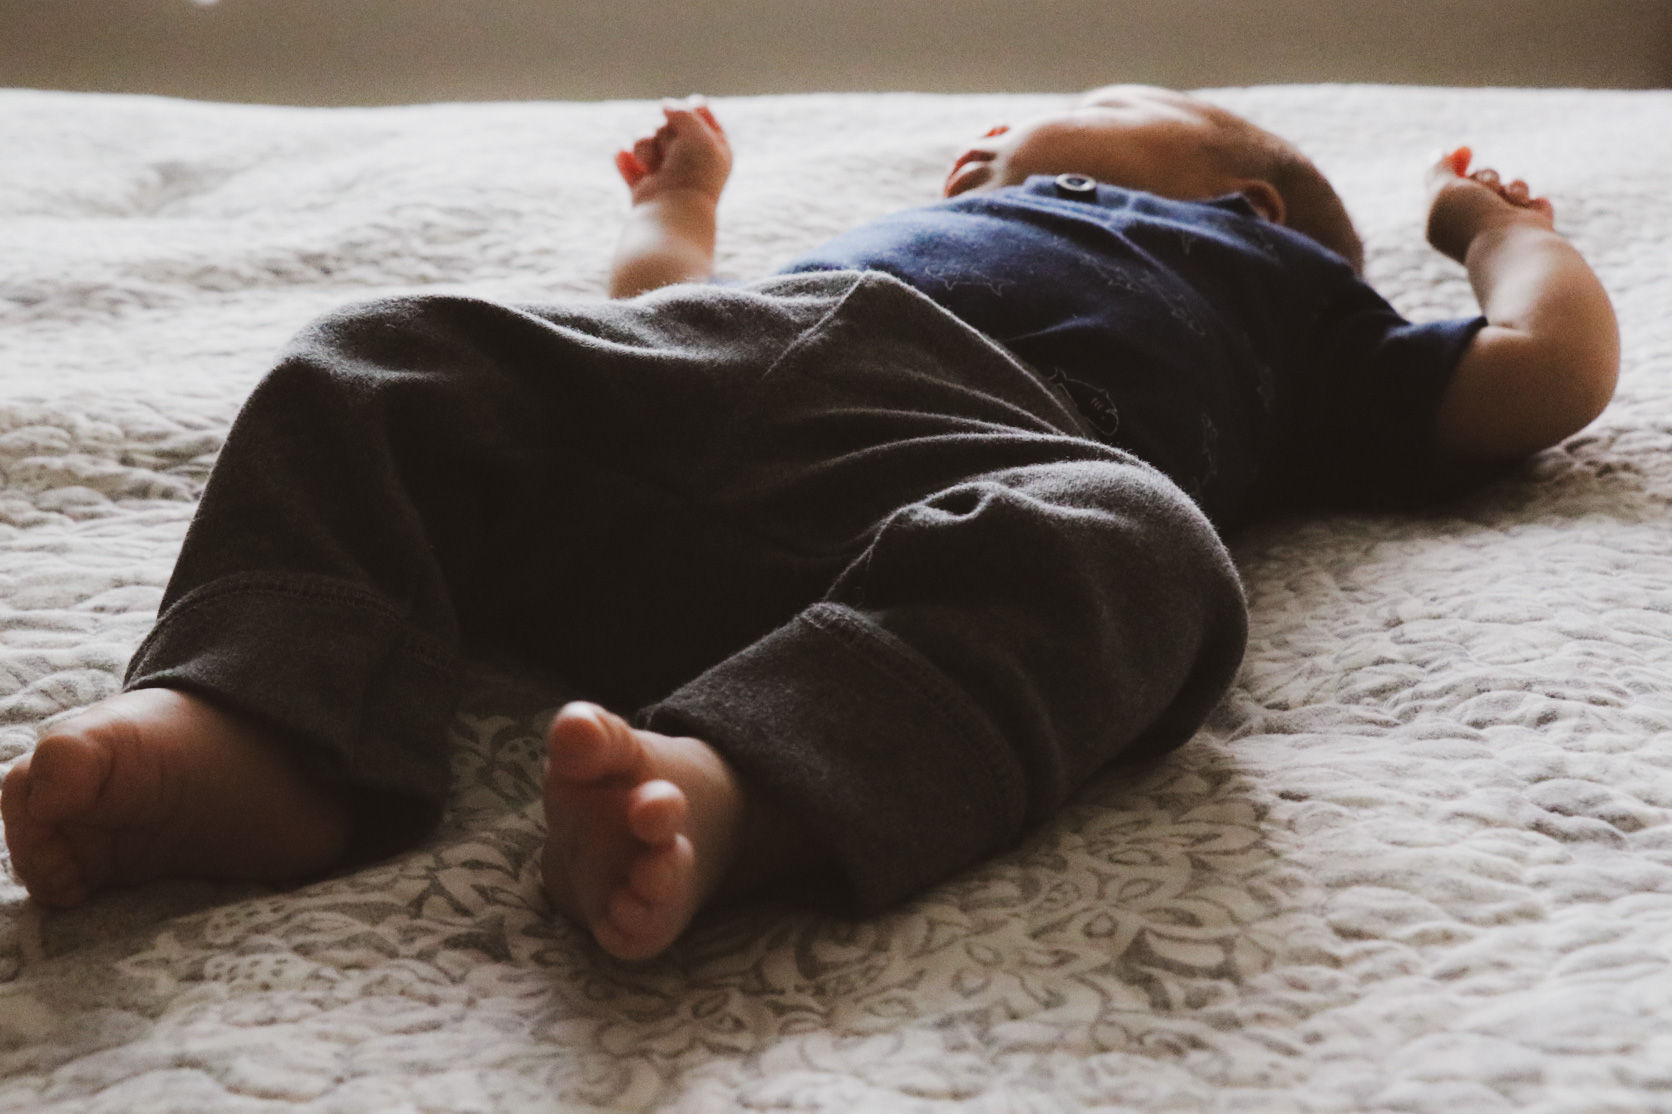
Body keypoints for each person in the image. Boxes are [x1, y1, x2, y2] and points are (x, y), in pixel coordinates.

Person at [1, 87, 1618, 962]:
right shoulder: (906, 225)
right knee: (387, 353)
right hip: (702, 385)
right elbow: (657, 313)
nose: (978, 149)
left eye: (1053, 119)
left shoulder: (1284, 296)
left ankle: (734, 787)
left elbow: (1544, 371)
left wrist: (1494, 229)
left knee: (1139, 541)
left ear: (1238, 202)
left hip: (951, 469)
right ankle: (265, 720)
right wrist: (679, 208)